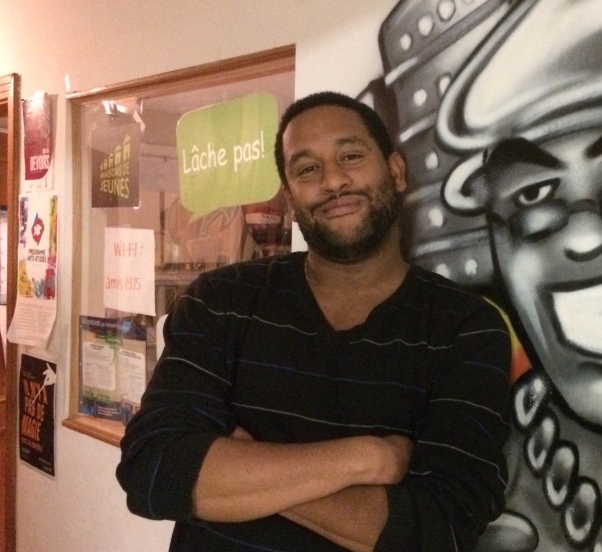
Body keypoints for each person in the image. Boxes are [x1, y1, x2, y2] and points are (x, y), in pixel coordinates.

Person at [116, 91, 512, 552]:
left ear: (396, 171)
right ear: (291, 197)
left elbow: (440, 527)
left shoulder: (464, 327)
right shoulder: (222, 301)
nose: (333, 181)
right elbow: (153, 470)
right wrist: (365, 459)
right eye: (307, 169)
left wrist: (240, 465)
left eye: (351, 156)